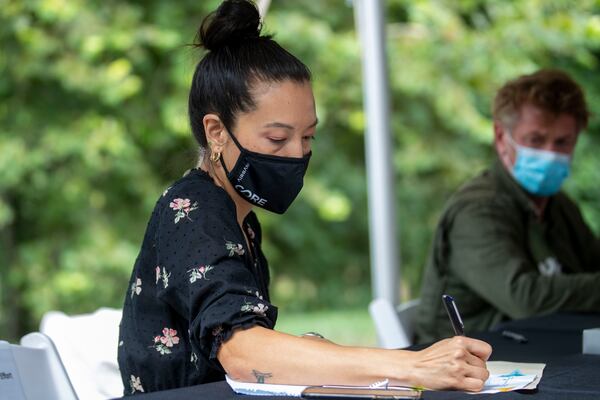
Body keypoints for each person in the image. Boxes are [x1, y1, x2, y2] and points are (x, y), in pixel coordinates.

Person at [118, 0, 491, 395]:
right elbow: (242, 351)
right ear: (216, 131)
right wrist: (413, 365)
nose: (297, 154)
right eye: (278, 138)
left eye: (308, 136)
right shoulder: (192, 211)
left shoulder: (237, 216)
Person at [416, 69, 600, 343]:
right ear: (502, 137)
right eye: (536, 140)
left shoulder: (559, 206)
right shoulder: (477, 210)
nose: (550, 153)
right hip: (470, 366)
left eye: (563, 142)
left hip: (539, 349)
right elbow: (525, 298)